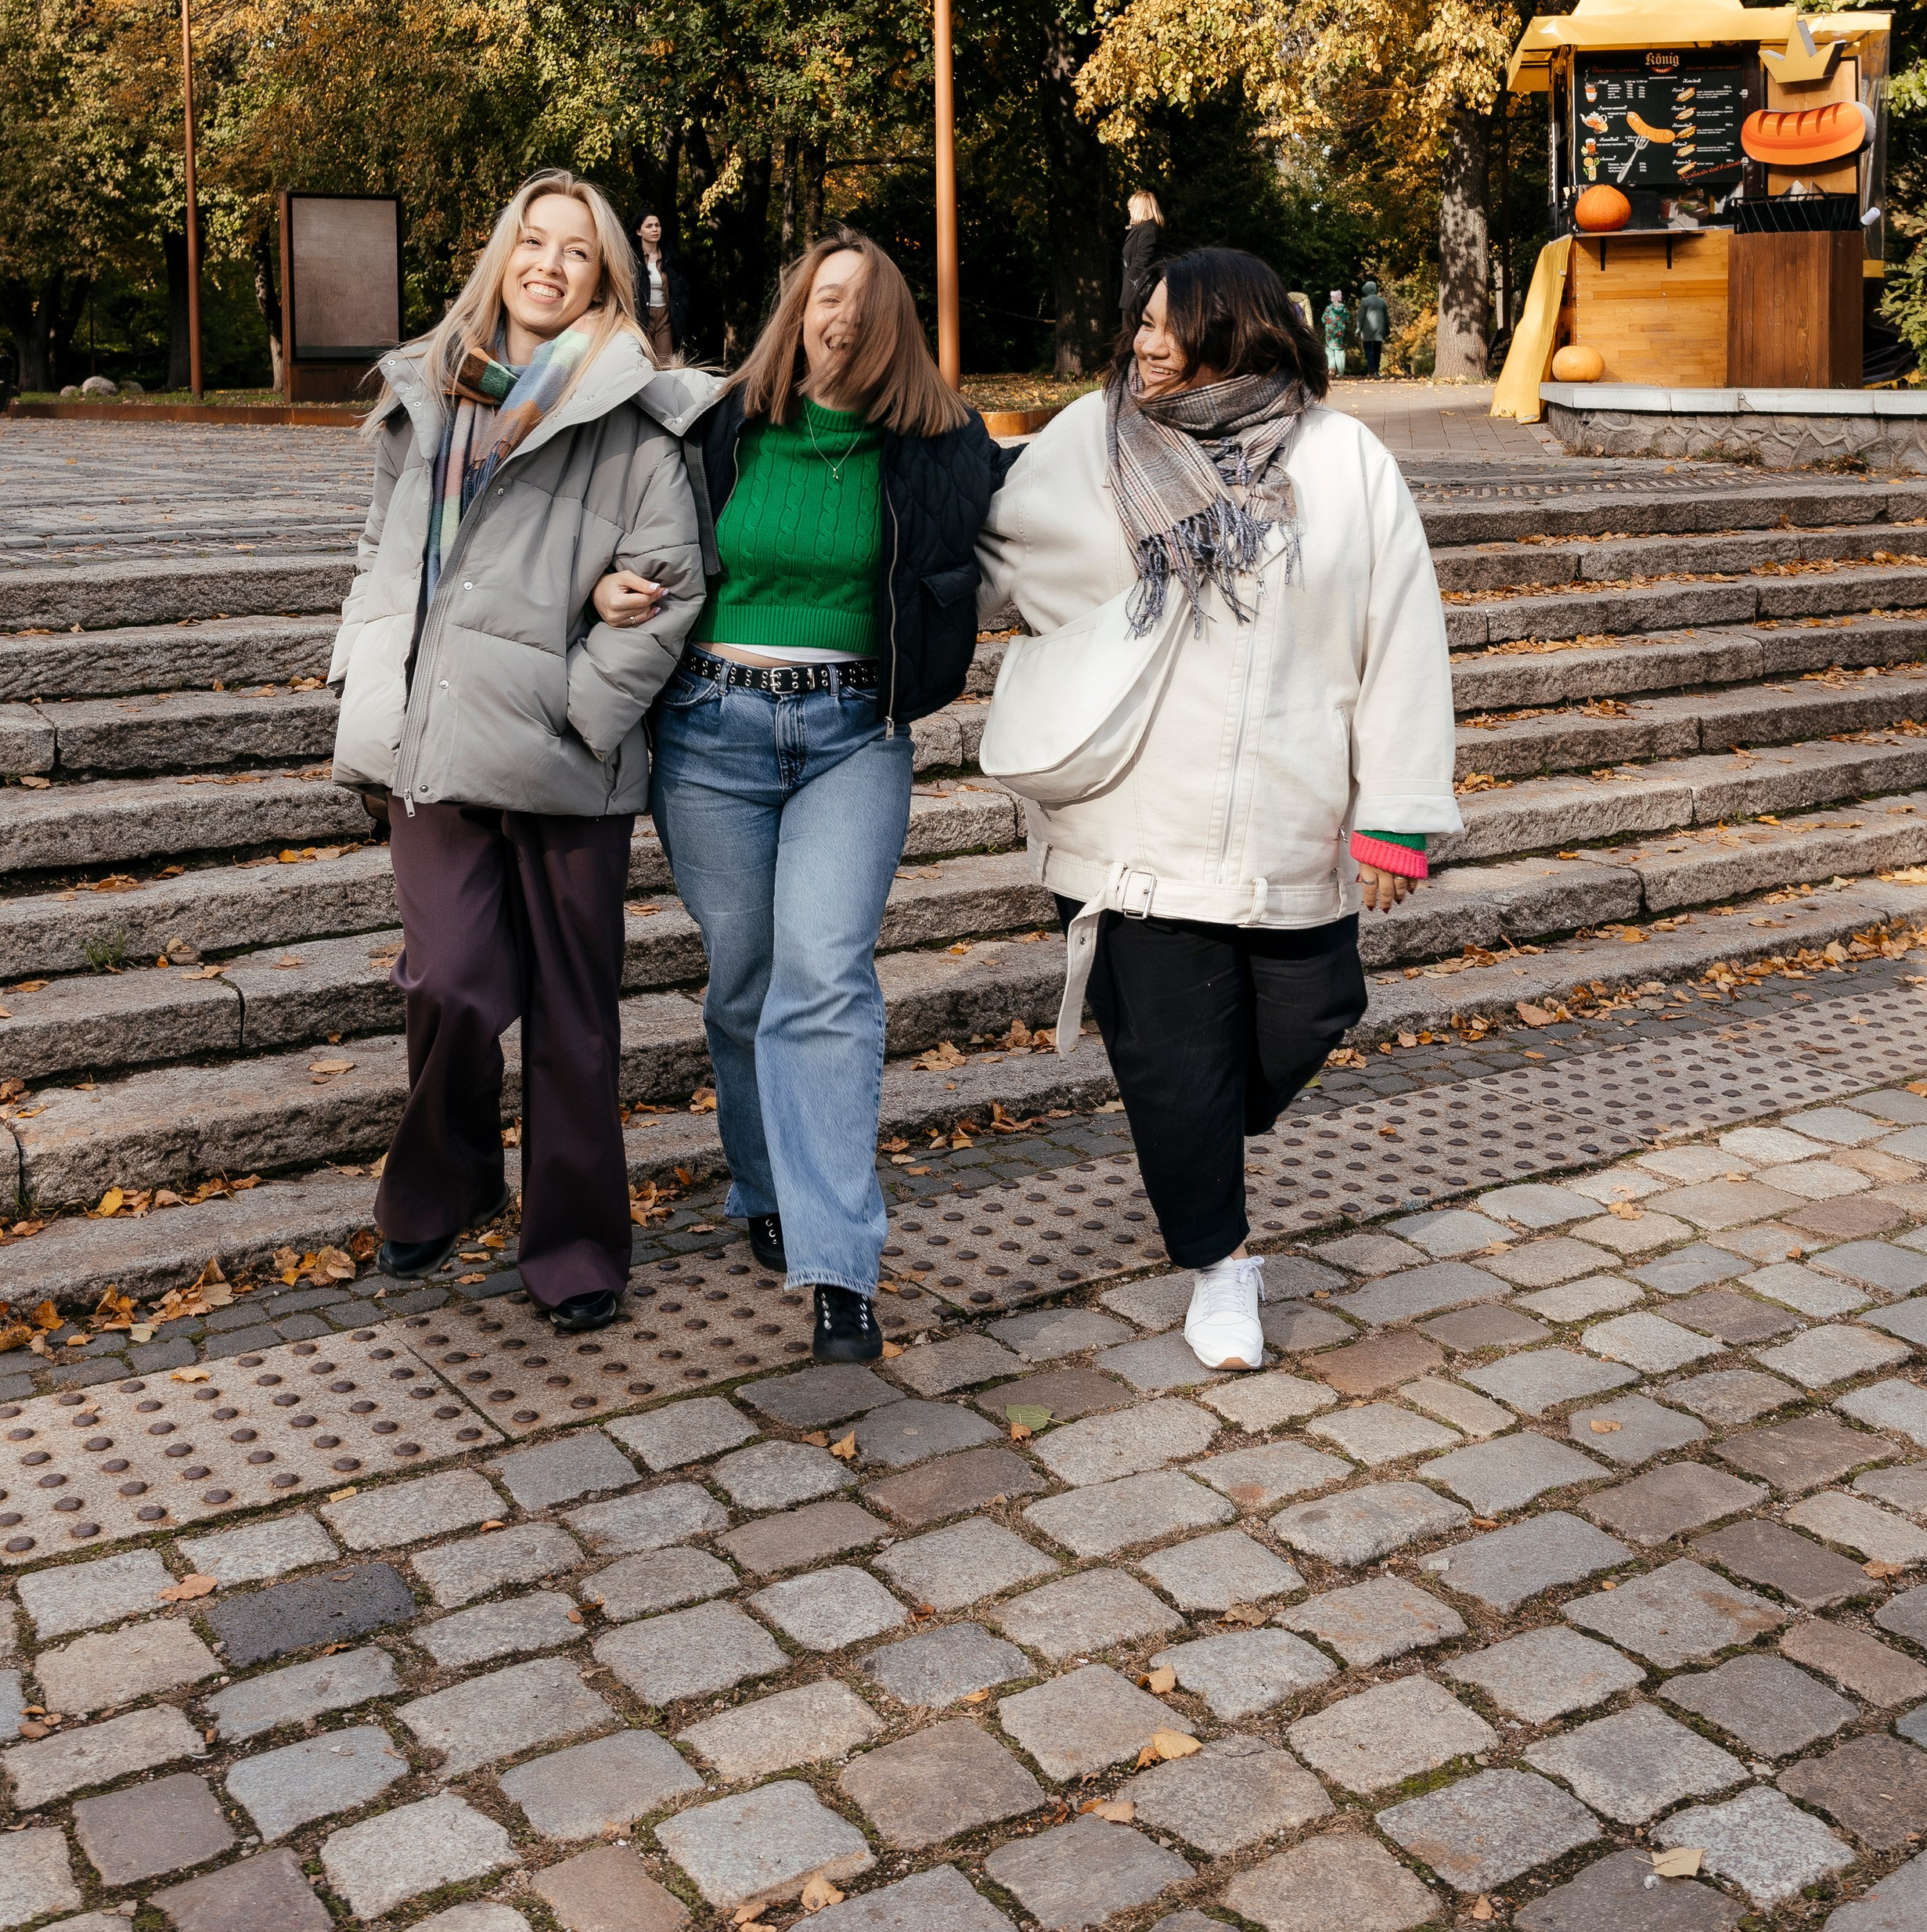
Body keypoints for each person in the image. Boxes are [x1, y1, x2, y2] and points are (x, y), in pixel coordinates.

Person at [977, 246, 1458, 1370]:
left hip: (1292, 810)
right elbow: (986, 551)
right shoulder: (1089, 441)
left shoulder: (1343, 458)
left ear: (1236, 327)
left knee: (1314, 1010)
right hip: (1132, 819)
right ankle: (1222, 1264)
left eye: (1170, 325)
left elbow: (1399, 632)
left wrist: (1396, 813)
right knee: (1175, 1064)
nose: (1145, 344)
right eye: (1140, 323)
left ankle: (1187, 1120)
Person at [593, 229, 1010, 1366]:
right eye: (826, 296)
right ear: (797, 311)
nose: (843, 317)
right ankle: (765, 1183)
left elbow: (1046, 517)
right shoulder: (718, 423)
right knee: (746, 979)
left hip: (853, 735)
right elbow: (607, 516)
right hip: (709, 730)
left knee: (824, 977)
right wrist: (601, 584)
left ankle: (837, 1266)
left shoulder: (944, 444)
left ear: (895, 326)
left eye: (866, 303)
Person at [329, 168, 708, 1331]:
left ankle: (577, 1249)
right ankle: (448, 1179)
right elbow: (381, 555)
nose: (549, 265)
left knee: (574, 1017)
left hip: (562, 756)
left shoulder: (637, 414)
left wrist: (579, 709)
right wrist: (364, 676)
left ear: (603, 277)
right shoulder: (424, 392)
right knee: (447, 980)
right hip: (435, 733)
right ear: (503, 255)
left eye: (576, 251)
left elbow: (670, 586)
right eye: (533, 242)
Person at [629, 211, 690, 366]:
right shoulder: (632, 259)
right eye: (649, 226)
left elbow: (682, 289)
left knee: (665, 363)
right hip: (642, 316)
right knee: (645, 363)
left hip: (665, 316)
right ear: (639, 231)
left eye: (657, 225)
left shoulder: (670, 258)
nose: (655, 229)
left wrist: (681, 307)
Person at [1121, 189, 1171, 331]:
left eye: (1131, 208)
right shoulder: (1143, 229)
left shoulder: (1148, 229)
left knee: (1132, 333)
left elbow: (1142, 260)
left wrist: (1131, 285)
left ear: (1139, 208)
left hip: (1137, 292)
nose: (1130, 212)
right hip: (1134, 290)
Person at [1356, 274, 1391, 376]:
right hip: (1379, 329)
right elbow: (1386, 317)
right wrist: (1387, 328)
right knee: (1377, 349)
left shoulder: (1364, 301)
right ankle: (1376, 368)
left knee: (1368, 348)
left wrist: (1358, 329)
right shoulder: (1382, 301)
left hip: (1367, 329)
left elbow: (1361, 317)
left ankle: (1371, 368)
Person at [1323, 287, 1349, 377]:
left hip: (1330, 333)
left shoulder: (1328, 308)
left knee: (1330, 349)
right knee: (1339, 351)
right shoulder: (1344, 309)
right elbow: (1347, 319)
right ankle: (1340, 372)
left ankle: (1332, 368)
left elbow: (1323, 319)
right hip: (1340, 332)